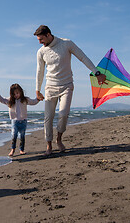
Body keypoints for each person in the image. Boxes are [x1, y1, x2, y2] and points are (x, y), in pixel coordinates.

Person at [34, 25, 106, 156]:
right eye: (38, 40)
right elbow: (40, 71)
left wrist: (97, 72)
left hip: (67, 85)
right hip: (50, 87)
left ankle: (59, 139)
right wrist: (37, 90)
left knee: (63, 114)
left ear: (49, 35)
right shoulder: (41, 52)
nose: (39, 42)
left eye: (41, 39)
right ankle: (48, 145)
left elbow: (83, 57)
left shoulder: (66, 43)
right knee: (48, 117)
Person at [0, 83, 39, 156]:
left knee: (22, 136)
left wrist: (38, 99)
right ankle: (12, 149)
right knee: (14, 135)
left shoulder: (25, 99)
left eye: (17, 93)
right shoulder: (10, 100)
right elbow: (2, 100)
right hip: (14, 121)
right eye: (14, 94)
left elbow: (33, 102)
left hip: (23, 121)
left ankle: (21, 150)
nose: (16, 95)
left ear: (21, 92)